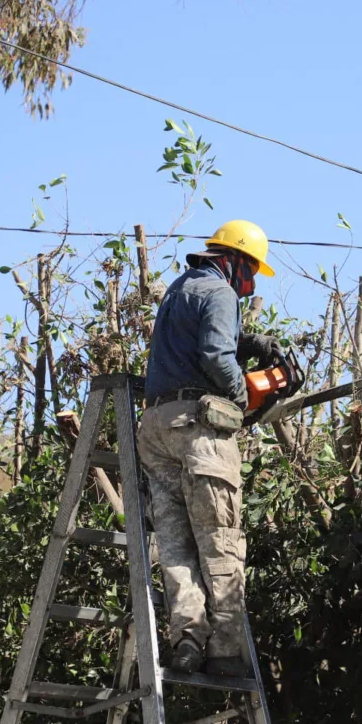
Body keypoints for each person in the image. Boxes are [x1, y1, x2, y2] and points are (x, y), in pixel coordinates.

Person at [138, 219, 280, 677]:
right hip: (196, 428)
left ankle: (186, 640)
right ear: (235, 261)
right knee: (220, 540)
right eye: (252, 270)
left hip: (156, 425)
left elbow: (193, 344)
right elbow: (215, 357)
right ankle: (222, 651)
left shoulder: (181, 288)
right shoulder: (220, 294)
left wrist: (248, 342)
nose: (252, 282)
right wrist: (241, 396)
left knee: (176, 544)